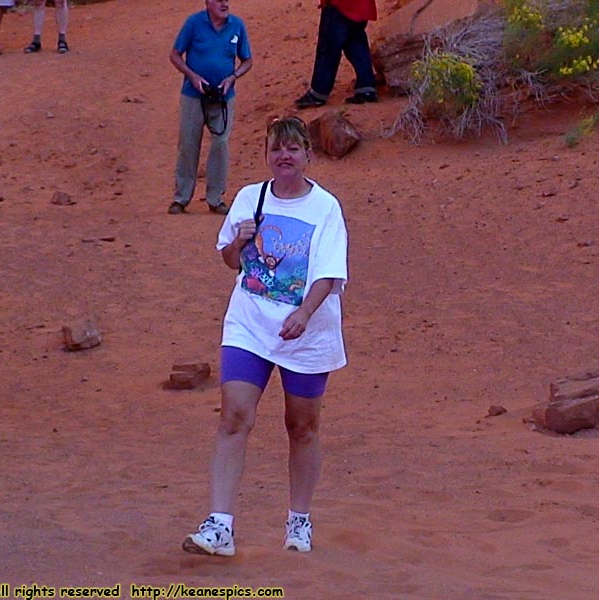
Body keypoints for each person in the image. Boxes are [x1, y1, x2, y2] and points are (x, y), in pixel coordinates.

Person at [182, 116, 348, 556]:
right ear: (268, 156)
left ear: (308, 156)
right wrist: (238, 242)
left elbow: (330, 276)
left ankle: (299, 520)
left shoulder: (325, 209)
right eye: (277, 148)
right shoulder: (248, 198)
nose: (285, 156)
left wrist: (304, 315)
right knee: (234, 415)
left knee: (302, 427)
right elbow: (230, 261)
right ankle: (220, 525)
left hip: (306, 334)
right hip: (250, 324)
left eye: (293, 148)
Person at [167, 0, 253, 216]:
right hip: (193, 96)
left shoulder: (237, 26)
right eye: (219, 0)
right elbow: (175, 54)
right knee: (188, 144)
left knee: (220, 144)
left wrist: (233, 77)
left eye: (227, 0)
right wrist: (192, 77)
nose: (224, 4)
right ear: (208, 3)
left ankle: (216, 198)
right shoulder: (194, 23)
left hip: (224, 98)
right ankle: (181, 197)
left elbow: (247, 60)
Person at [295, 0, 378, 108]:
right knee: (355, 43)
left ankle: (319, 92)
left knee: (328, 48)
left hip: (339, 6)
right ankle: (366, 87)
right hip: (360, 6)